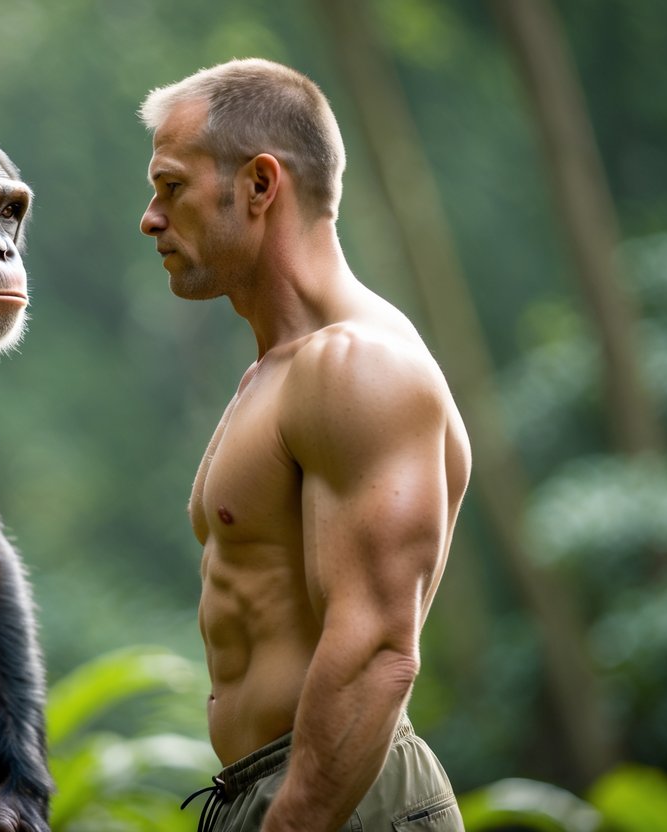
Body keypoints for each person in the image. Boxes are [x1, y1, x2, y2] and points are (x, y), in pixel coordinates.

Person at [138, 58, 470, 832]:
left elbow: (379, 649)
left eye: (171, 186)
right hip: (267, 791)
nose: (150, 217)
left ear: (259, 185)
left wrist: (290, 822)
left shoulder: (359, 366)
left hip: (339, 798)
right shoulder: (275, 373)